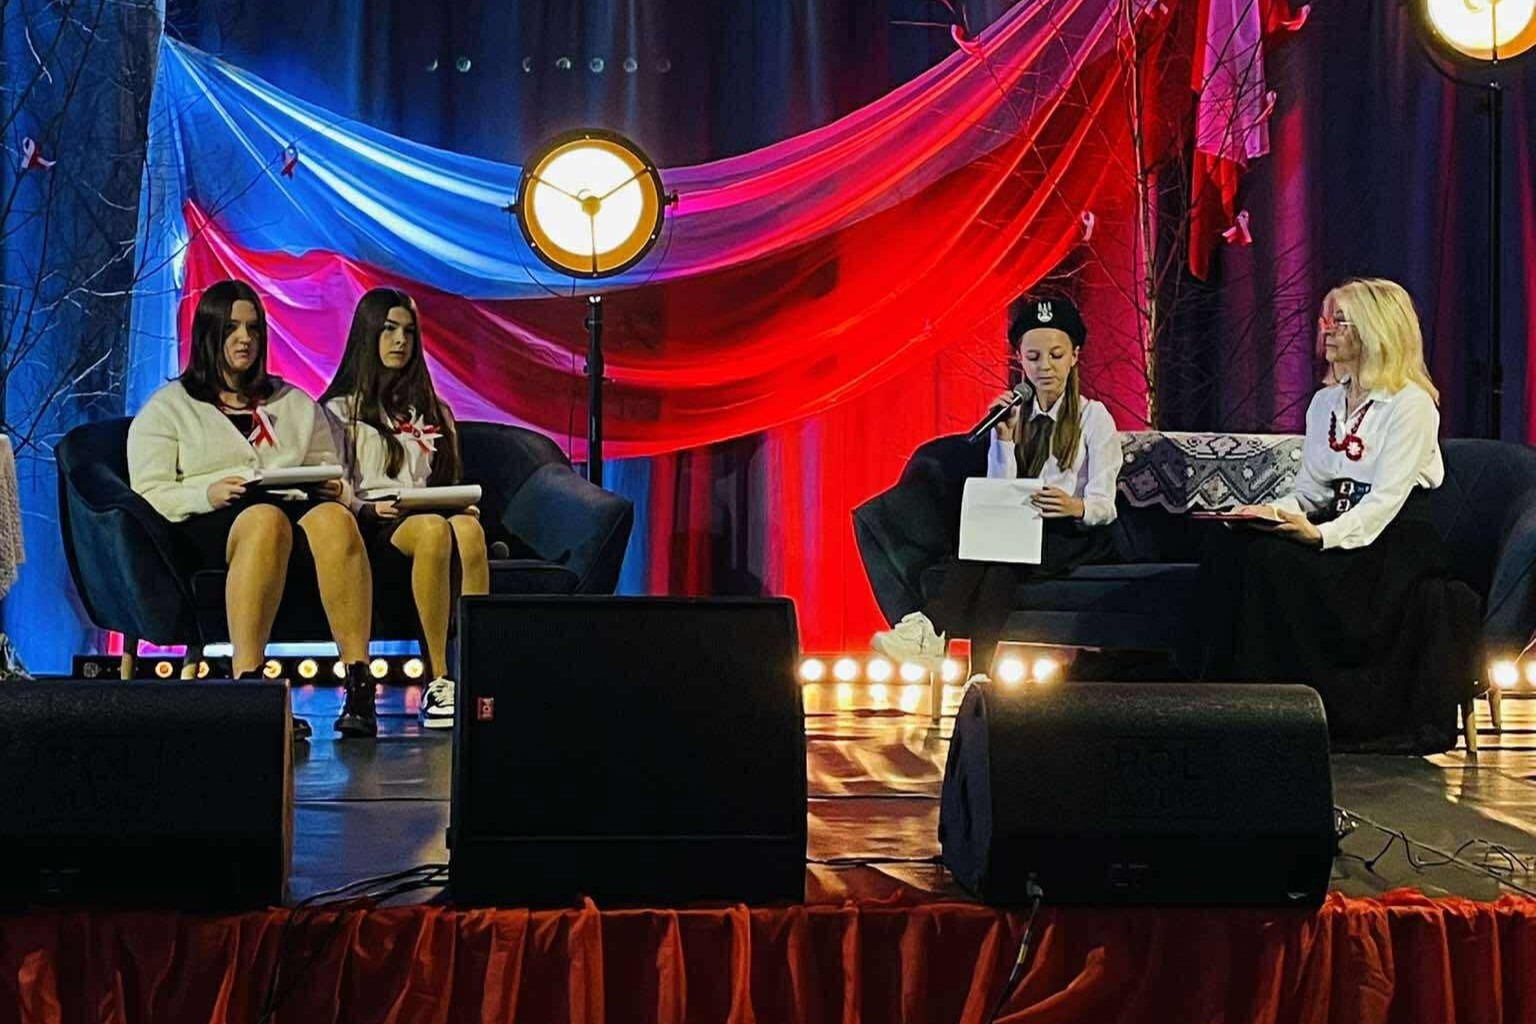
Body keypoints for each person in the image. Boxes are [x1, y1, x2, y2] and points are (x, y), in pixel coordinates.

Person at [1183, 277, 1478, 751]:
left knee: (1272, 563)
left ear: (1376, 331)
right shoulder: (1325, 403)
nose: (1327, 330)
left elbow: (1385, 500)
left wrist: (1320, 537)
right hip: (1339, 524)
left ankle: (1280, 711)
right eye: (1327, 319)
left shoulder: (1411, 405)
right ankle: (1218, 696)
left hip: (1391, 542)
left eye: (1341, 321)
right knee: (1232, 544)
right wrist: (1270, 514)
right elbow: (1312, 491)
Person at [128, 278, 378, 739]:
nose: (245, 338)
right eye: (231, 329)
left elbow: (330, 466)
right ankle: (251, 689)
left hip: (291, 508)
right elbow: (148, 490)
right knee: (264, 521)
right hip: (208, 521)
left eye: (253, 328)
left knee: (335, 519)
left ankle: (359, 682)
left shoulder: (293, 402)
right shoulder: (169, 407)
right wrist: (206, 493)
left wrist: (328, 485)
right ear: (209, 335)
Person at [872, 296, 1122, 677]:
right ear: (1020, 359)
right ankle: (978, 676)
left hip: (1072, 532)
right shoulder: (1016, 415)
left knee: (999, 549)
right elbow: (1001, 491)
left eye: (1056, 355)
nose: (1045, 366)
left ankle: (931, 629)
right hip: (1021, 527)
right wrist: (1004, 439)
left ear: (1074, 356)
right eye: (1033, 357)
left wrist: (1075, 506)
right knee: (999, 560)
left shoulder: (1093, 417)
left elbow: (1105, 504)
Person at [320, 288, 488, 729]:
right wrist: (365, 509)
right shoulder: (339, 411)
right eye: (389, 330)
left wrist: (459, 502)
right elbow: (335, 484)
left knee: (469, 531)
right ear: (368, 334)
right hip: (374, 521)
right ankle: (438, 677)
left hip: (429, 508)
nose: (400, 341)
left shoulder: (433, 410)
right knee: (432, 529)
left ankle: (478, 673)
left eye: (409, 332)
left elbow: (445, 477)